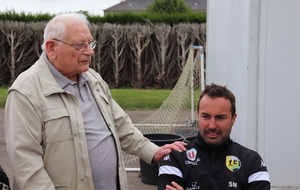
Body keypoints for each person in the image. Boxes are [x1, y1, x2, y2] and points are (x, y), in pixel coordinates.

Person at [4, 13, 186, 190]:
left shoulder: (93, 79)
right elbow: (26, 164)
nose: (90, 51)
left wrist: (153, 151)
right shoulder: (26, 91)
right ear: (51, 48)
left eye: (90, 43)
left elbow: (120, 125)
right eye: (80, 45)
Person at [158, 83, 270, 190]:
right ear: (198, 116)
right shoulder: (175, 158)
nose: (212, 125)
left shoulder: (252, 162)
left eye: (220, 118)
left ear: (233, 119)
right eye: (206, 116)